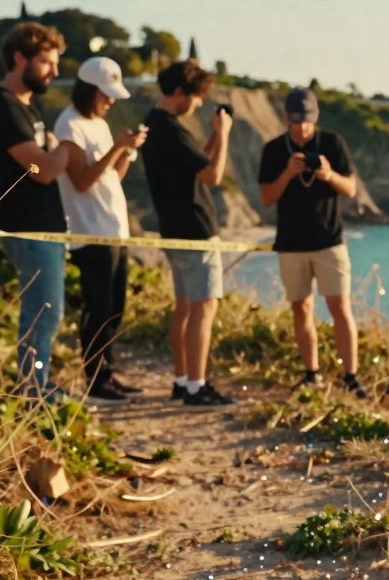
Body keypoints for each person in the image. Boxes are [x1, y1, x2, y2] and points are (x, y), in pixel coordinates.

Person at [0, 22, 69, 401]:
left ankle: (37, 384)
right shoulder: (3, 107)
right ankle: (32, 391)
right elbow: (41, 171)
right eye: (47, 62)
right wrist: (68, 146)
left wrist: (51, 150)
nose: (55, 71)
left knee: (47, 311)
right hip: (26, 227)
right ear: (20, 58)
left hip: (43, 226)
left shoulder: (27, 107)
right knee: (42, 312)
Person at [257, 88, 366, 398]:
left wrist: (329, 175)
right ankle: (311, 373)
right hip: (291, 243)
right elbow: (266, 197)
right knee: (301, 308)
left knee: (340, 307)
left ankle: (351, 376)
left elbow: (351, 190)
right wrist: (287, 174)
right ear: (286, 119)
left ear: (315, 118)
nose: (302, 128)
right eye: (296, 121)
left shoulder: (332, 143)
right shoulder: (274, 150)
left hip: (329, 239)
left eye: (306, 121)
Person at [140, 59, 234, 407]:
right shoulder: (171, 127)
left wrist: (210, 138)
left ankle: (182, 381)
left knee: (184, 307)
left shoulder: (156, 125)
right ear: (179, 92)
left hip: (173, 228)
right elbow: (212, 176)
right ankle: (197, 386)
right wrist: (223, 137)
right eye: (195, 97)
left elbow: (195, 165)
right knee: (204, 307)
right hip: (195, 228)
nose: (197, 104)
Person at [54, 56, 147, 403]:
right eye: (105, 95)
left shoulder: (98, 124)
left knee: (114, 308)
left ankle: (108, 373)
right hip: (90, 231)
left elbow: (111, 177)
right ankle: (96, 379)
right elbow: (81, 181)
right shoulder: (70, 125)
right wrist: (117, 149)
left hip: (113, 227)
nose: (110, 101)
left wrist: (128, 152)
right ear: (89, 90)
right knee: (98, 306)